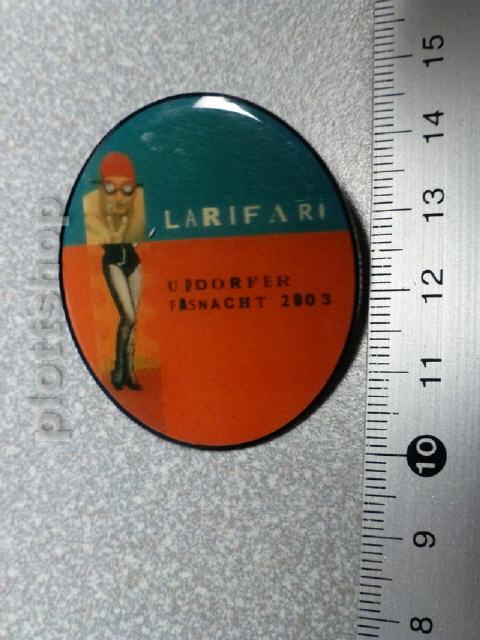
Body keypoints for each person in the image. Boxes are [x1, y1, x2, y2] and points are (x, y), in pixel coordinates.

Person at [83, 152, 146, 390]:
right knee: (129, 317)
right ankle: (118, 369)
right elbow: (103, 239)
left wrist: (131, 237)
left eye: (126, 189)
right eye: (110, 187)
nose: (119, 195)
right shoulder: (94, 208)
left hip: (133, 262)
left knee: (132, 321)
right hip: (112, 261)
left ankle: (130, 373)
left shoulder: (135, 206)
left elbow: (137, 237)